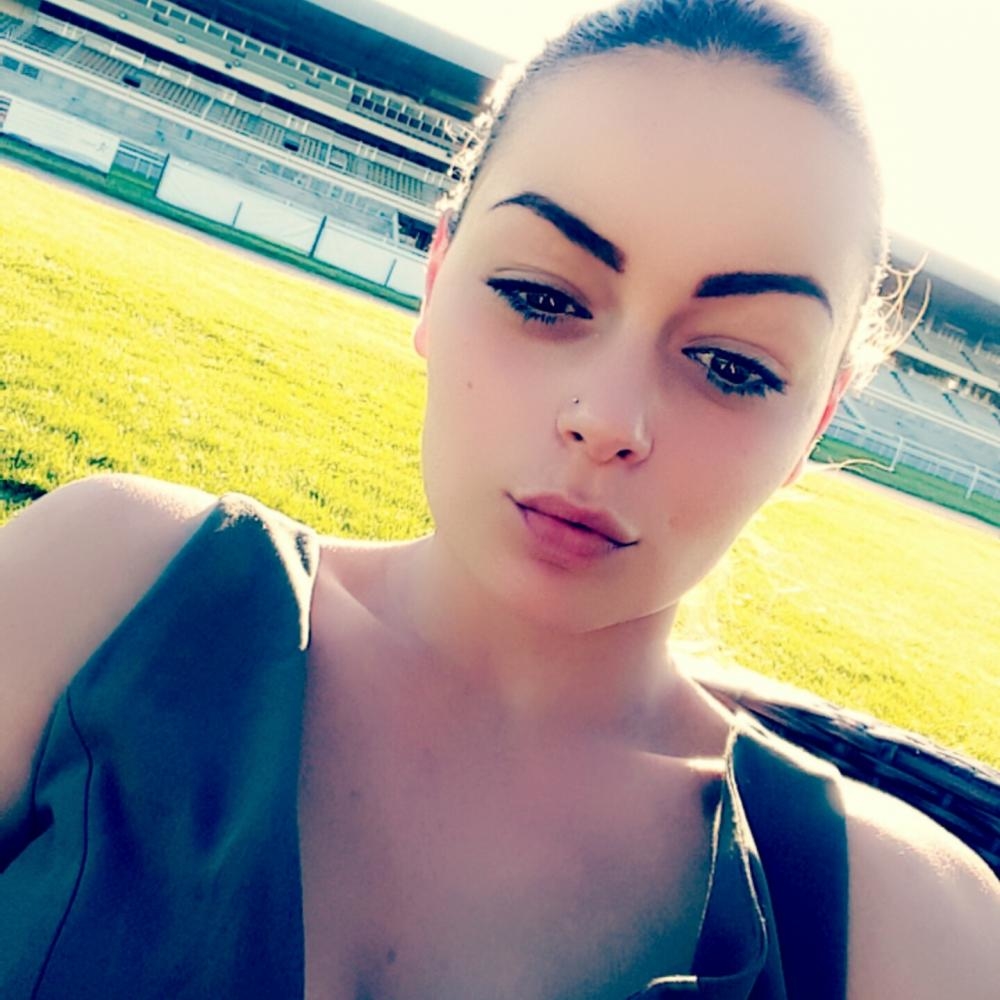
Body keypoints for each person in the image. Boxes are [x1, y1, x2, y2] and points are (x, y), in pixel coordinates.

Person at [1, 1, 998, 997]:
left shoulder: (910, 930)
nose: (607, 419)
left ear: (812, 427)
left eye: (733, 366)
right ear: (437, 279)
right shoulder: (103, 590)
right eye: (542, 295)